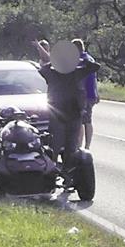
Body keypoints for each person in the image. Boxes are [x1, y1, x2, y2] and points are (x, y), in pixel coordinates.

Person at [34, 39, 97, 180]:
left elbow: (94, 66)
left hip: (70, 114)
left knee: (67, 147)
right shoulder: (75, 71)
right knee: (60, 146)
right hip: (62, 114)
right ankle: (56, 171)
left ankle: (66, 173)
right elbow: (93, 65)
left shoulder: (67, 71)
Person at [72, 38, 100, 149]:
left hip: (84, 95)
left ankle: (79, 146)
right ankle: (86, 146)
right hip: (91, 93)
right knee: (87, 120)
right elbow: (94, 78)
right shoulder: (90, 59)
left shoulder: (80, 61)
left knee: (81, 121)